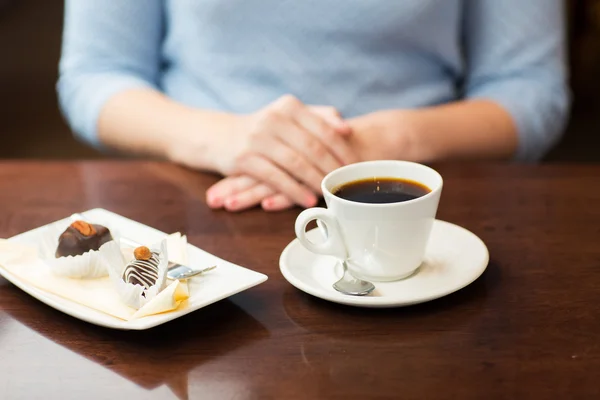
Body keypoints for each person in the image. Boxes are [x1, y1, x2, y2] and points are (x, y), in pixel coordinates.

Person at [57, 0, 569, 212]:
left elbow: (529, 88)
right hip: (201, 198)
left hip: (416, 200)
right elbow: (96, 74)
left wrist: (385, 142)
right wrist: (226, 139)